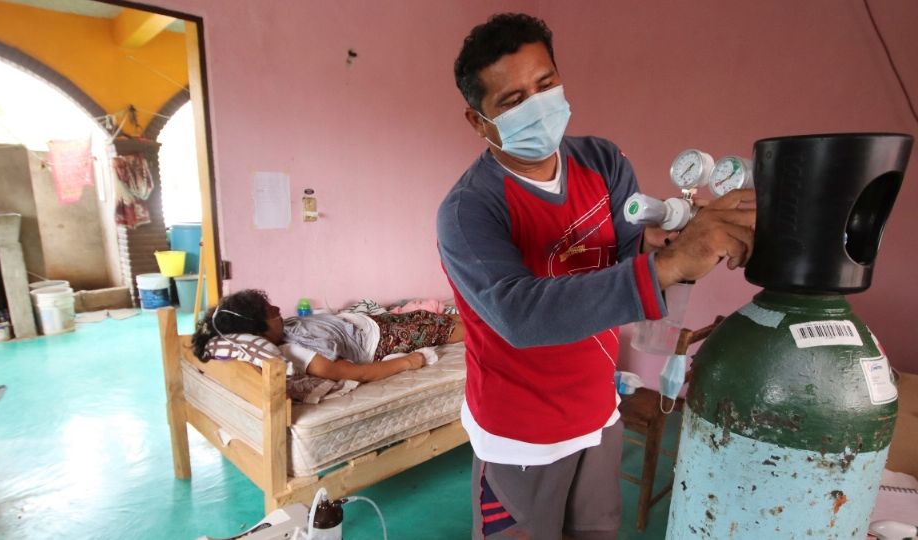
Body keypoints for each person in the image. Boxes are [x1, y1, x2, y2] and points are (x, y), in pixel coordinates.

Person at [438, 13, 756, 539]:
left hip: (597, 408)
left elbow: (629, 256)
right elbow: (520, 315)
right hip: (522, 435)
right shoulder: (469, 210)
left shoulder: (601, 161)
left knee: (596, 531)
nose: (538, 106)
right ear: (478, 121)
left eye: (546, 85)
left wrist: (670, 242)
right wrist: (668, 265)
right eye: (514, 101)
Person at [191, 289, 465, 402]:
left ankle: (482, 316)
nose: (278, 310)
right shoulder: (296, 353)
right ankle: (494, 327)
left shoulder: (282, 334)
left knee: (433, 318)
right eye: (271, 312)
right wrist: (408, 361)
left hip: (367, 323)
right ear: (256, 329)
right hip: (381, 338)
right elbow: (354, 373)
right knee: (441, 327)